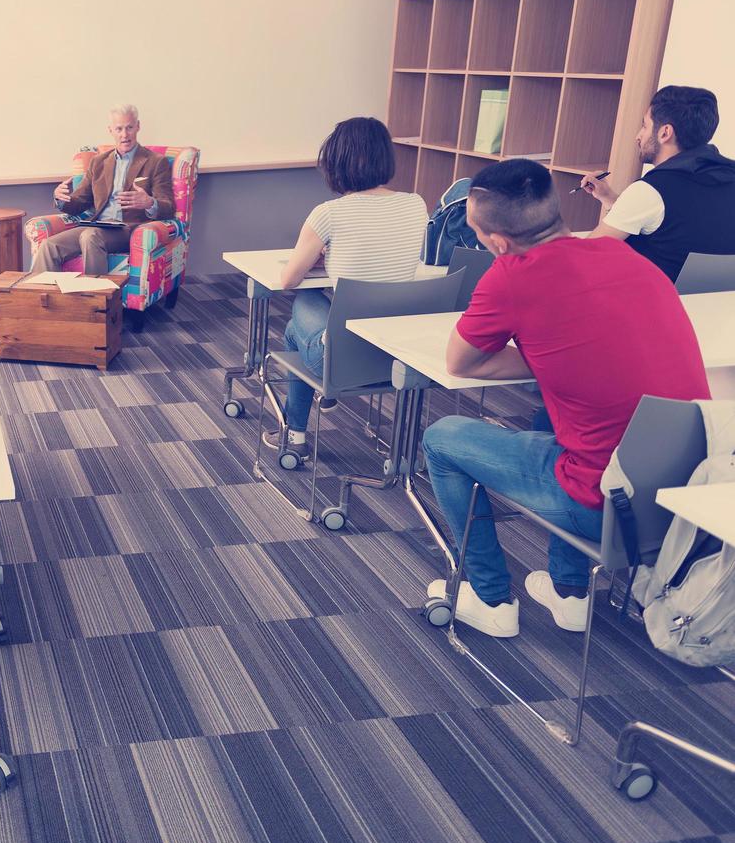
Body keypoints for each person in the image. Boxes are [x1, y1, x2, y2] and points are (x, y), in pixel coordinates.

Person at [422, 160, 709, 638]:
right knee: (549, 416)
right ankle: (570, 592)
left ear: (497, 243)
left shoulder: (511, 275)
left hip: (609, 506)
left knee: (442, 438)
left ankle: (489, 598)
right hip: (684, 498)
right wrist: (556, 356)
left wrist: (542, 354)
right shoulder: (627, 256)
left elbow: (461, 364)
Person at [271, 116, 428, 459]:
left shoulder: (328, 214)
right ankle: (305, 416)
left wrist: (322, 254)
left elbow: (288, 280)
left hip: (341, 360)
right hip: (399, 355)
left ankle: (295, 432)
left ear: (337, 161)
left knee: (302, 308)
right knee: (306, 323)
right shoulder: (417, 205)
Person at [583, 85, 735, 282]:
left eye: (645, 126)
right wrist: (610, 198)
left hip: (652, 306)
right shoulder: (727, 176)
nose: (638, 135)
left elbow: (587, 255)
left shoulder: (651, 191)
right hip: (713, 307)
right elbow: (677, 224)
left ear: (665, 133)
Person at [32, 105, 176, 276]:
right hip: (98, 225)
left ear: (138, 126)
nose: (125, 134)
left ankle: (96, 300)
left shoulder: (155, 162)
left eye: (129, 127)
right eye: (119, 129)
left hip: (129, 230)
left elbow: (168, 206)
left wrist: (150, 203)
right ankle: (44, 300)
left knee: (90, 237)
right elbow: (80, 201)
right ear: (111, 130)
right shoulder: (98, 162)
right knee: (49, 246)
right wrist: (61, 198)